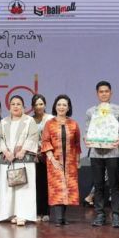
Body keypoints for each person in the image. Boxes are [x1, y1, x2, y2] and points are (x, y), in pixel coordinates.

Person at [84, 81, 119, 227]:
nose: (104, 94)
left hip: (113, 152)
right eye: (101, 91)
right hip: (96, 153)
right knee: (98, 184)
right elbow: (87, 131)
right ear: (97, 94)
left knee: (114, 184)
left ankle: (116, 215)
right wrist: (86, 139)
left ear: (111, 93)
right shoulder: (91, 111)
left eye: (106, 91)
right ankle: (100, 214)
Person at [0, 95, 41, 226]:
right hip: (8, 159)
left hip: (24, 159)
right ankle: (10, 214)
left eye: (18, 104)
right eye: (13, 104)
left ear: (23, 107)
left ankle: (23, 215)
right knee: (7, 187)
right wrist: (6, 152)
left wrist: (23, 150)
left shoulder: (29, 121)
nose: (15, 106)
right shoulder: (3, 122)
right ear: (9, 107)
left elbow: (33, 137)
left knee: (24, 188)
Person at [41, 94, 81, 226]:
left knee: (67, 187)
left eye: (64, 105)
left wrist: (78, 160)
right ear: (55, 107)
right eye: (59, 104)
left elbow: (77, 144)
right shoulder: (49, 123)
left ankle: (63, 217)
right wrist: (52, 159)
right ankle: (58, 218)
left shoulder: (74, 124)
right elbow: (45, 142)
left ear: (68, 108)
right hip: (54, 160)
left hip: (70, 161)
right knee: (57, 187)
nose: (61, 107)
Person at [31, 94, 53, 222]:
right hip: (34, 156)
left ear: (45, 105)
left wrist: (45, 150)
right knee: (36, 184)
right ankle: (37, 211)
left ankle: (46, 211)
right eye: (36, 104)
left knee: (46, 184)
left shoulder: (51, 119)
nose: (39, 107)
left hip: (48, 156)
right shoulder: (29, 120)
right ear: (33, 106)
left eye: (41, 104)